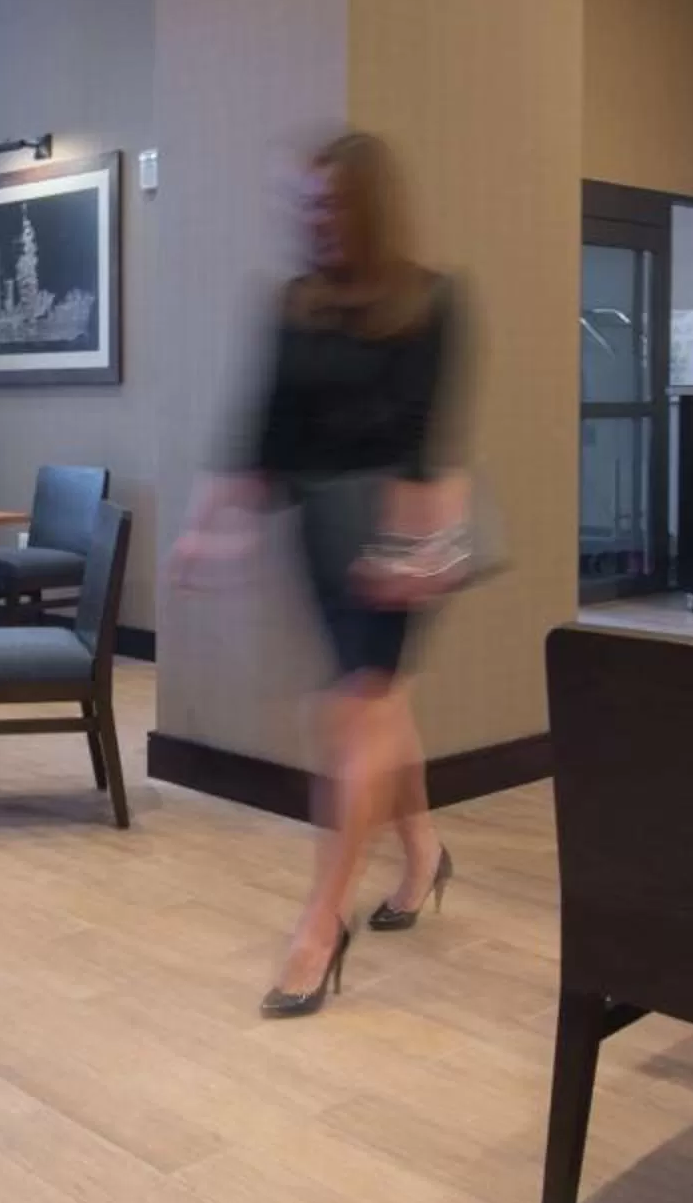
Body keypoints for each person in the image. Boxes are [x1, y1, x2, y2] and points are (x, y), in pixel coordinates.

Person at [171, 131, 472, 1019]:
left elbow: (427, 436)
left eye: (329, 205)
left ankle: (319, 925)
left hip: (400, 534)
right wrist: (205, 531)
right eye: (304, 207)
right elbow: (259, 430)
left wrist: (414, 553)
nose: (314, 221)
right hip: (319, 536)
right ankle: (423, 853)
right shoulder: (295, 304)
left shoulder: (432, 300)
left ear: (367, 208)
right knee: (378, 710)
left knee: (352, 713)